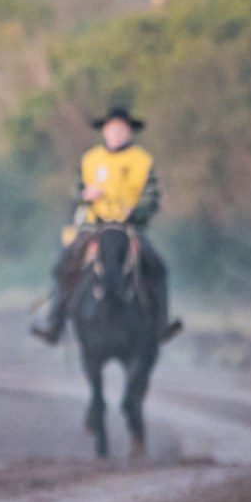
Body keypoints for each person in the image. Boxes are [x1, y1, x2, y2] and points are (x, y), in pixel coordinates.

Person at [30, 106, 183, 344]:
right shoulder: (90, 159)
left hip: (129, 229)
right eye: (112, 129)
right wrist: (84, 194)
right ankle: (54, 324)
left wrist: (137, 211)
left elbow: (152, 199)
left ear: (130, 132)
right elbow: (76, 190)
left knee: (158, 268)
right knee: (65, 266)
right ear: (104, 131)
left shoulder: (142, 161)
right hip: (94, 228)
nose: (117, 134)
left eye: (121, 129)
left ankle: (162, 324)